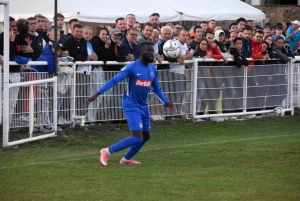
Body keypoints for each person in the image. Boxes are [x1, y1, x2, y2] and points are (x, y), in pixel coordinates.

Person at [86, 42, 175, 166]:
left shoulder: (153, 68)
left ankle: (126, 159)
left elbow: (156, 89)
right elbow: (114, 80)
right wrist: (97, 94)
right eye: (148, 50)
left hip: (143, 105)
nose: (151, 53)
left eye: (152, 50)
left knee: (146, 136)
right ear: (140, 52)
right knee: (138, 136)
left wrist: (166, 102)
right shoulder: (132, 67)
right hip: (130, 104)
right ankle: (106, 151)